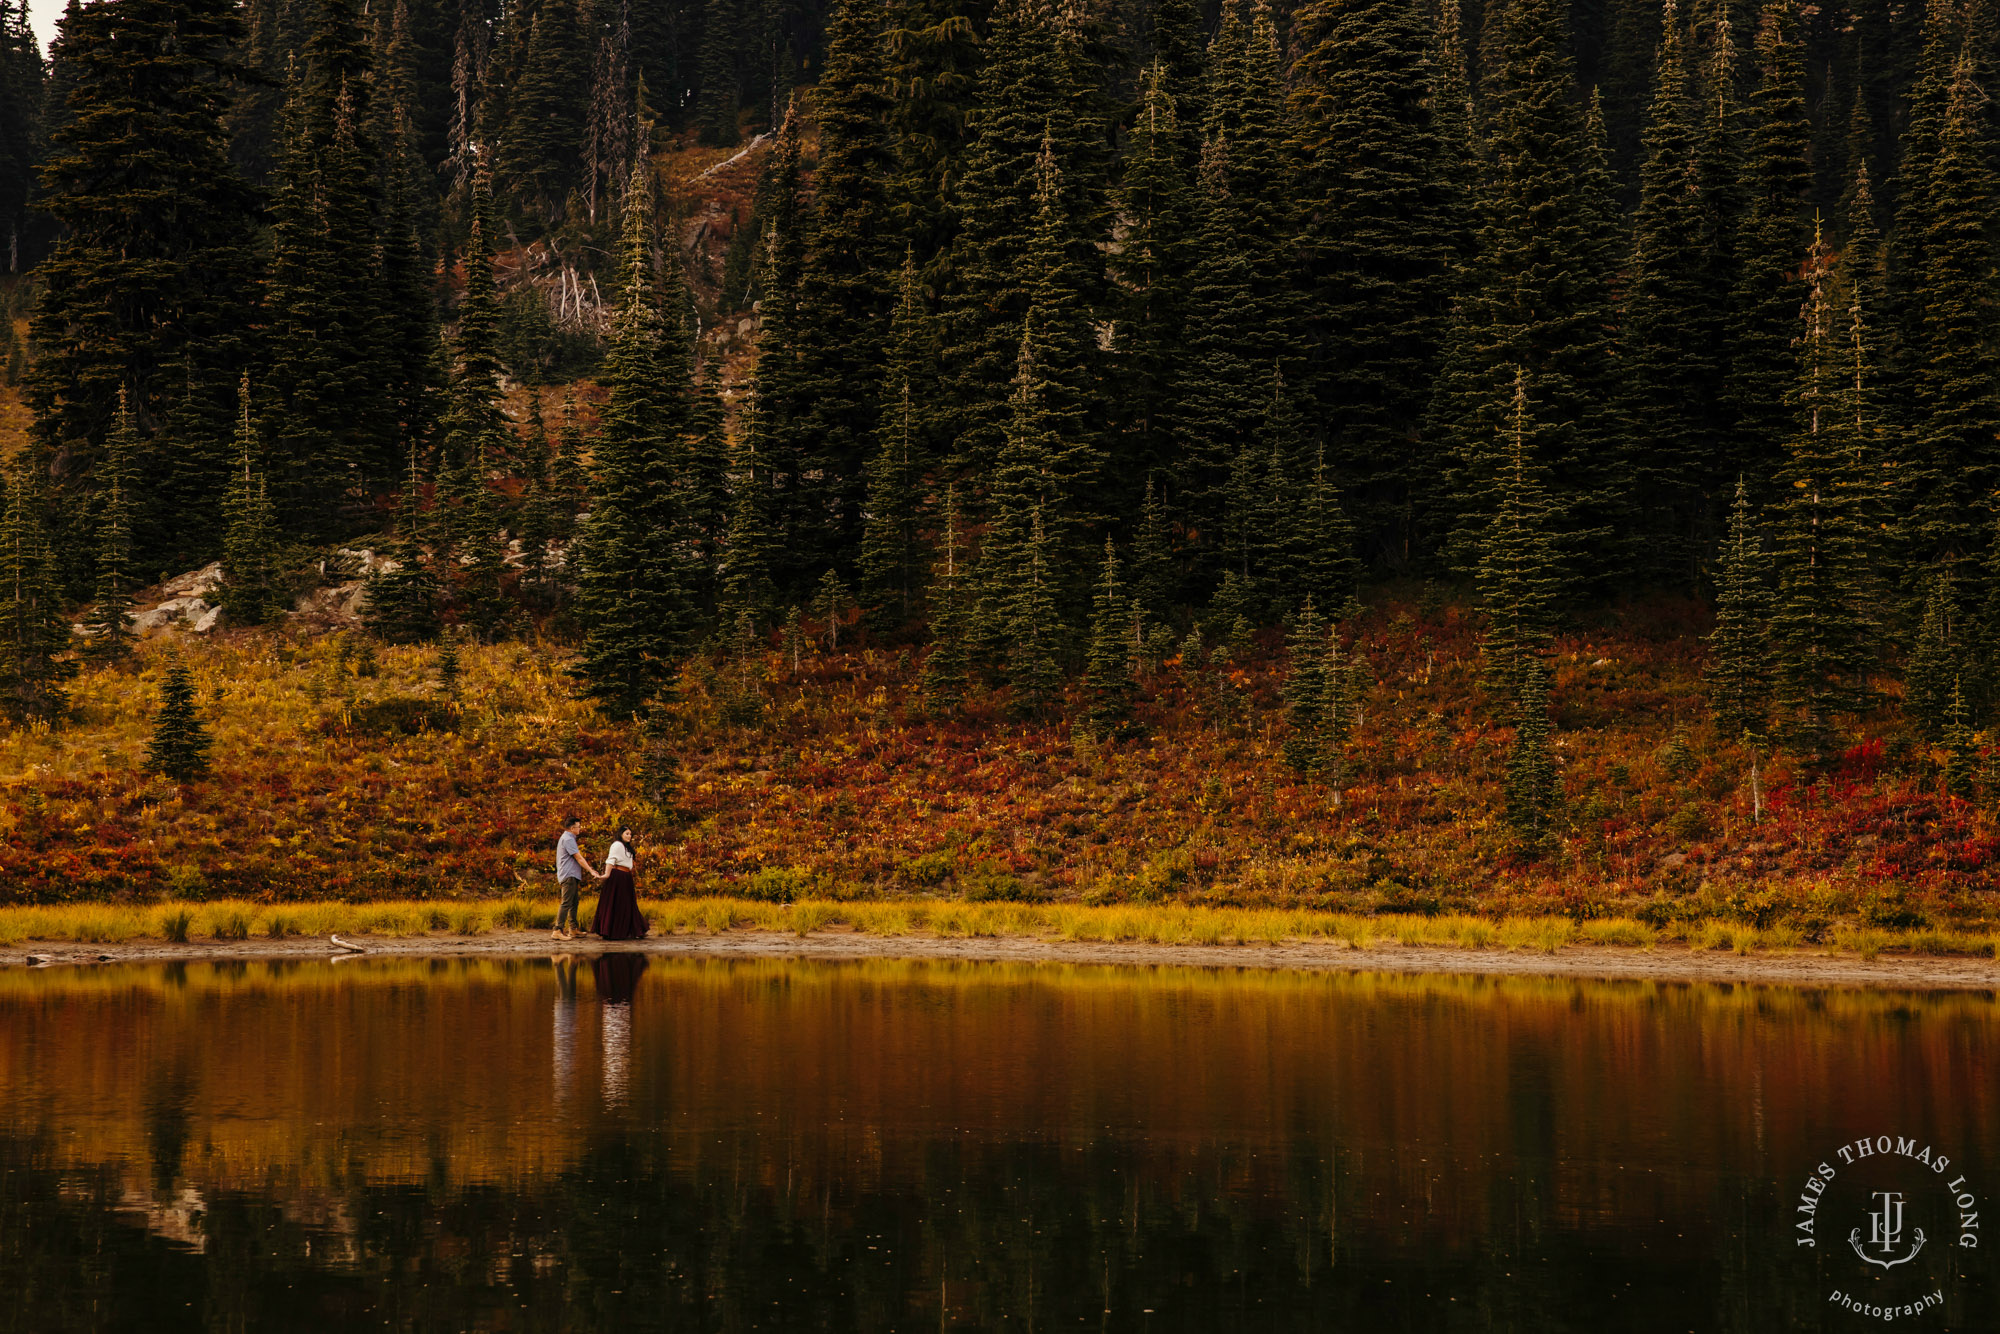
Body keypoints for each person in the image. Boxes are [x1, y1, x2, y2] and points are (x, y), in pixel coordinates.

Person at [590, 824, 648, 941]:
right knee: (616, 903)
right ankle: (612, 931)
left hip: (626, 877)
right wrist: (606, 874)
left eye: (630, 834)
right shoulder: (617, 845)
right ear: (620, 834)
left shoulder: (627, 847)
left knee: (628, 904)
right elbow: (611, 860)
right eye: (627, 834)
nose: (629, 836)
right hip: (617, 876)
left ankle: (632, 930)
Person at [553, 816, 606, 941]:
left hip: (572, 875)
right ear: (572, 828)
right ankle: (557, 930)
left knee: (574, 902)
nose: (580, 829)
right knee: (566, 902)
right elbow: (578, 857)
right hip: (568, 875)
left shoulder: (569, 838)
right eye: (578, 827)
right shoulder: (568, 839)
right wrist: (591, 870)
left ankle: (573, 929)